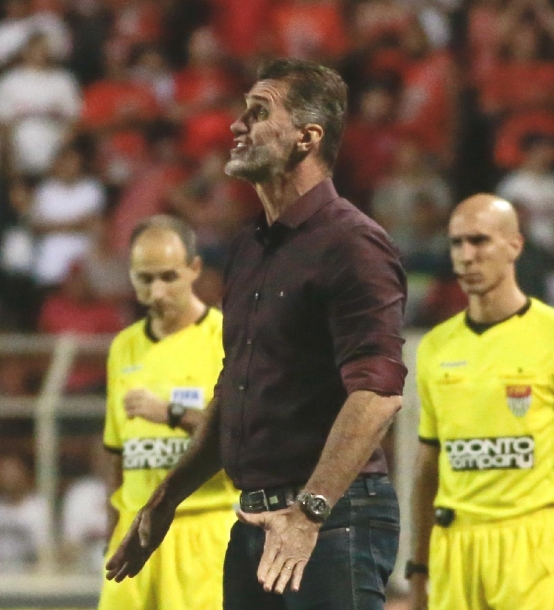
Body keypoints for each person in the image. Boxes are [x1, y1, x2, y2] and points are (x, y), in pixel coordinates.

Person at [105, 58, 407, 610]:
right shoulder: (249, 249)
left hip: (333, 517)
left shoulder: (353, 244)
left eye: (258, 112)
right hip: (254, 518)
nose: (235, 126)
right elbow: (236, 392)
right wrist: (164, 499)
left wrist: (310, 511)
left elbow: (378, 392)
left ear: (306, 139)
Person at [408, 194, 554, 610]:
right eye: (457, 243)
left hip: (534, 541)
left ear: (514, 246)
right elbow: (428, 467)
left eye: (479, 241)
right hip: (455, 546)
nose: (466, 256)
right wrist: (418, 570)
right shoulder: (434, 347)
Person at [99, 215, 235, 610]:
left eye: (168, 277)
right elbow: (115, 453)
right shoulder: (124, 346)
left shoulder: (223, 337)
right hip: (134, 529)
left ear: (194, 270)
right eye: (144, 279)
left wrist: (172, 413)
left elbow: (241, 431)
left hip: (202, 525)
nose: (157, 291)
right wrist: (113, 533)